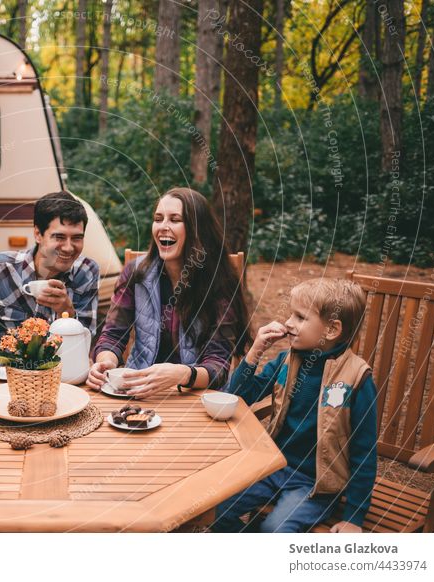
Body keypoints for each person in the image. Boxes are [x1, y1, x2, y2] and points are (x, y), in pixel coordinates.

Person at [213, 278, 377, 533]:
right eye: (291, 314)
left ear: (331, 330)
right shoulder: (286, 361)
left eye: (300, 317)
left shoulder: (356, 379)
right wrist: (254, 352)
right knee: (217, 508)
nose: (288, 323)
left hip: (315, 484)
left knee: (276, 530)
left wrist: (354, 516)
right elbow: (239, 396)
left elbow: (364, 450)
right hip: (273, 465)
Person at [87, 188, 251, 395]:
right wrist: (105, 362)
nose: (163, 227)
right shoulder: (135, 273)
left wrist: (182, 374)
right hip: (137, 390)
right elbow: (113, 334)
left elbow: (218, 367)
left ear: (197, 229)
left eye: (175, 220)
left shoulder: (219, 280)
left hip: (196, 394)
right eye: (158, 219)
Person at [0, 191, 99, 376]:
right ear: (38, 234)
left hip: (59, 381)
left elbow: (85, 348)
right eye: (59, 237)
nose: (68, 247)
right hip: (0, 380)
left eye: (77, 238)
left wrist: (66, 311)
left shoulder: (86, 272)